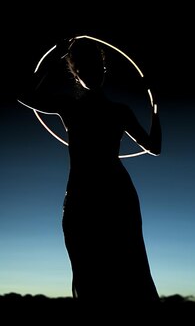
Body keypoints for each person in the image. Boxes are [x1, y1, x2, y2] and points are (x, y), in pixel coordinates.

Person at [17, 37, 161, 304]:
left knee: (127, 261)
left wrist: (155, 106)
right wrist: (54, 56)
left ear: (103, 71)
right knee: (86, 264)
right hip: (83, 193)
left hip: (115, 193)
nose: (91, 73)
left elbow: (154, 147)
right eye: (84, 70)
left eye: (95, 68)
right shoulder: (69, 106)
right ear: (76, 74)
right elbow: (23, 94)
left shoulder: (118, 111)